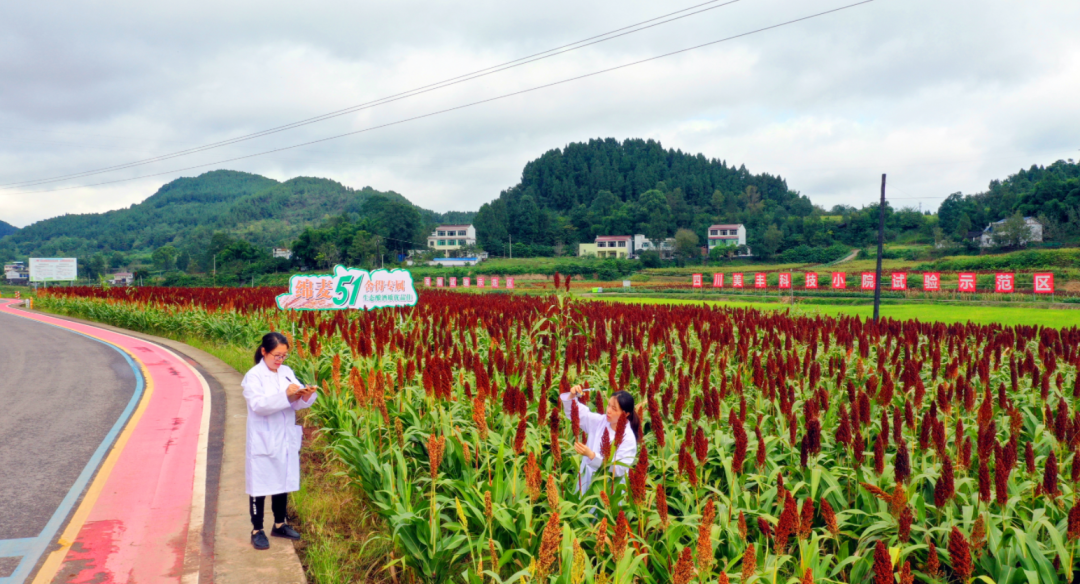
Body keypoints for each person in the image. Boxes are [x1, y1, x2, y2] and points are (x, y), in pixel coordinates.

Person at [242, 332, 317, 550]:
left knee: (281, 481)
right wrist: (286, 396)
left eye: (284, 356)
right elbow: (259, 405)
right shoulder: (253, 376)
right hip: (264, 437)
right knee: (259, 484)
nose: (280, 360)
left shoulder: (286, 372)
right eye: (276, 355)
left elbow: (295, 403)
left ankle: (279, 524)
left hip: (284, 437)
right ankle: (257, 530)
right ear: (264, 351)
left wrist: (305, 395)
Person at [559, 384, 641, 494]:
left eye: (614, 408)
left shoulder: (628, 439)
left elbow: (618, 469)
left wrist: (592, 456)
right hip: (586, 482)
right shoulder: (601, 422)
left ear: (626, 414)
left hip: (607, 490)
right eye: (608, 405)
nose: (608, 411)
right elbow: (577, 414)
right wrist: (572, 396)